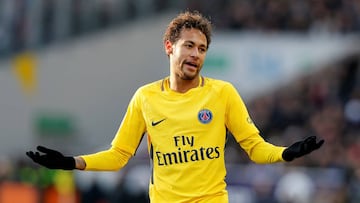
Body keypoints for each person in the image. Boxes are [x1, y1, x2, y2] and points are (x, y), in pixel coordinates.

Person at [26, 11, 324, 203]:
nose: (196, 54)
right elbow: (119, 155)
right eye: (189, 46)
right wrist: (71, 162)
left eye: (203, 48)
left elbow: (255, 148)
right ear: (170, 47)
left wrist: (286, 153)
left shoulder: (222, 93)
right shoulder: (146, 97)